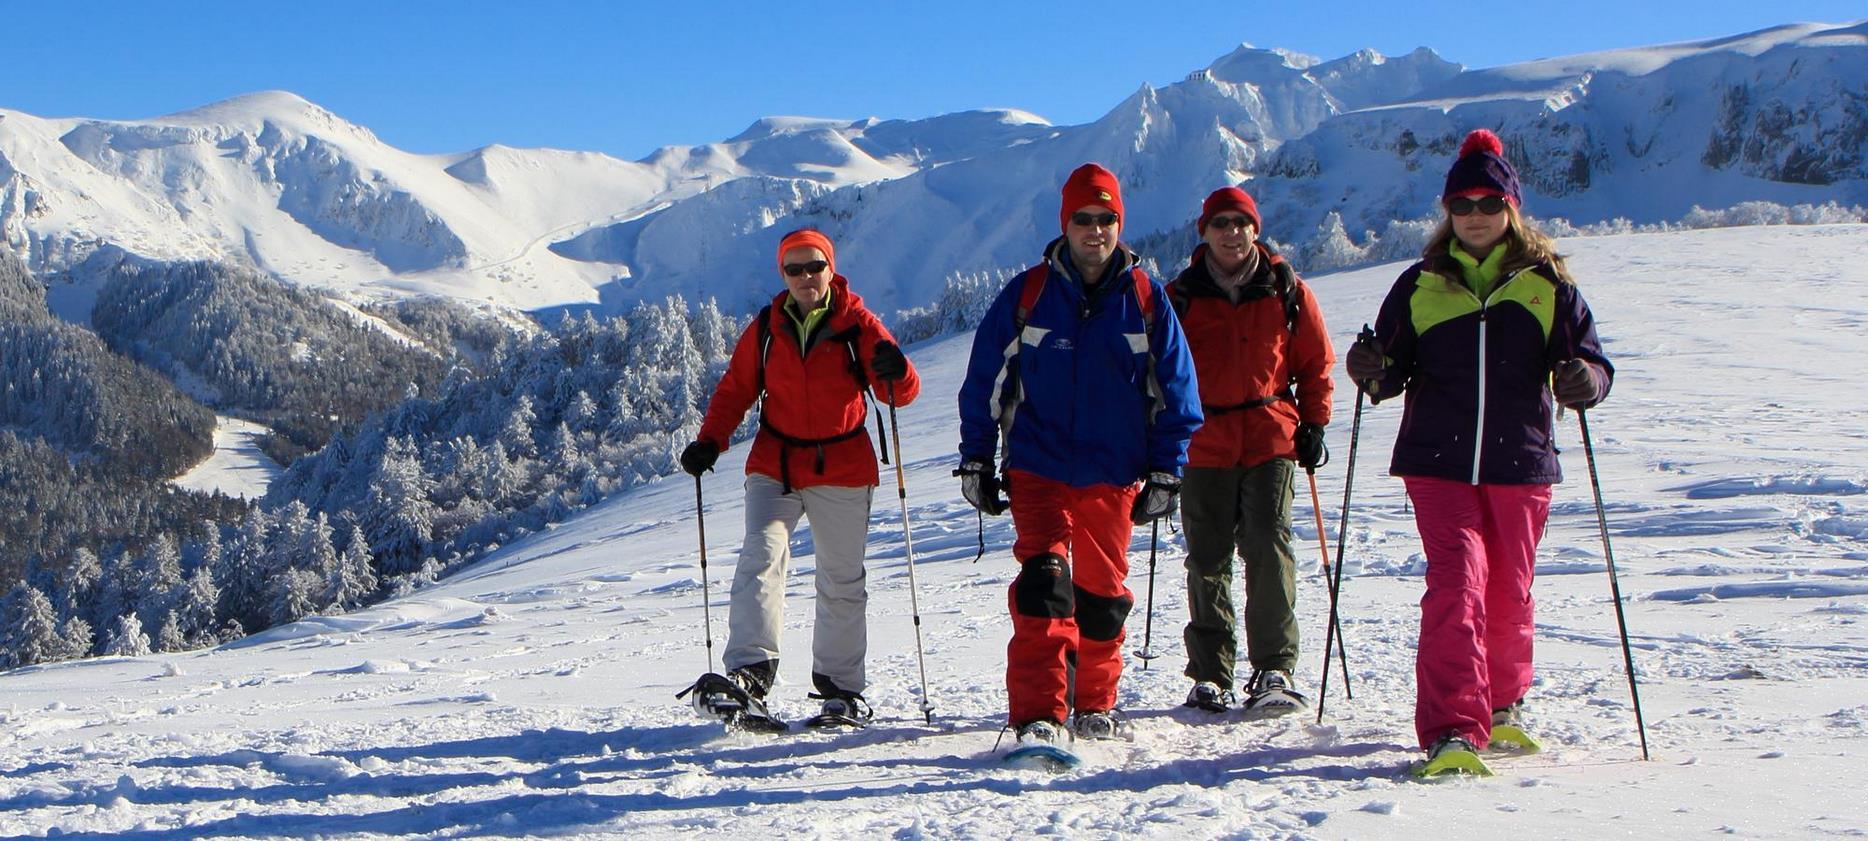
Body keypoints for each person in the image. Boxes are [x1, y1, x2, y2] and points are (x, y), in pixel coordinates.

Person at [1344, 129, 1613, 774]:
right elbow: (1389, 373)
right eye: (1461, 206)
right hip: (1438, 461)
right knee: (1456, 586)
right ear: (1447, 213)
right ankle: (1452, 727)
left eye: (1488, 204)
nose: (1474, 216)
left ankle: (1503, 702)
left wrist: (1585, 382)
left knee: (1509, 587)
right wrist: (1369, 368)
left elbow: (1591, 365)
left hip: (1520, 460)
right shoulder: (1420, 284)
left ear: (1511, 209)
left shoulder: (1548, 285)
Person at [956, 163, 1203, 748]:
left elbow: (1177, 389)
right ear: (1065, 224)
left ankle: (1094, 700)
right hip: (1037, 467)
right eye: (1083, 219)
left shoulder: (1145, 300)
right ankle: (1039, 714)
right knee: (1044, 585)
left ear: (1120, 224)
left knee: (1101, 596)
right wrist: (975, 458)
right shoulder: (1029, 295)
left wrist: (1169, 467)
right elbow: (984, 381)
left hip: (1111, 473)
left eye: (1106, 218)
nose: (1095, 230)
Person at [679, 227, 920, 727]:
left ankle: (841, 690)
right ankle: (750, 673)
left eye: (815, 267)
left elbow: (900, 391)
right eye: (796, 268)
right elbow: (736, 388)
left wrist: (900, 370)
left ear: (832, 269)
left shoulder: (858, 323)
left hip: (844, 466)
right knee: (760, 556)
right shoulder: (767, 326)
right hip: (776, 464)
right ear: (782, 274)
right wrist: (711, 440)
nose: (807, 277)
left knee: (841, 578)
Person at [1166, 187, 1335, 716]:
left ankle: (1274, 668)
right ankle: (1211, 674)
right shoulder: (1181, 297)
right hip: (1204, 440)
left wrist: (1315, 422)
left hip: (1270, 435)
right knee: (1208, 557)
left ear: (1255, 229)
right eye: (1221, 223)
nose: (1231, 232)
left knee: (1267, 543)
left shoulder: (1287, 290)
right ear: (1205, 232)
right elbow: (1161, 372)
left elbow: (1315, 363)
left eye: (1240, 222)